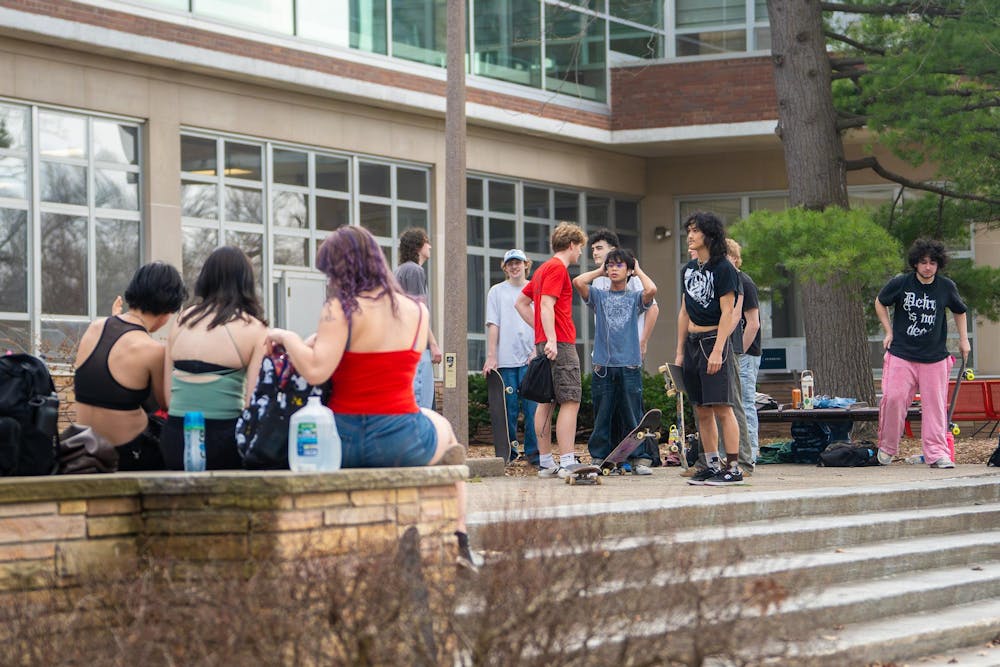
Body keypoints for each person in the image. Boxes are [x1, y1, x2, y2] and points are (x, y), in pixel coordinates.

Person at [265, 225, 476, 570]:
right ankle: (460, 537)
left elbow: (316, 370)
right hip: (401, 437)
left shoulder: (341, 308)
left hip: (341, 440)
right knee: (446, 431)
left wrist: (288, 337)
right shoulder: (417, 312)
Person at [160, 246, 269, 470]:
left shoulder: (182, 320)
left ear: (206, 278)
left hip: (176, 435)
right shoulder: (255, 329)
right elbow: (253, 403)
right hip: (224, 438)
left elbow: (168, 397)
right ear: (246, 282)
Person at [73, 262, 187, 470]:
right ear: (168, 310)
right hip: (125, 454)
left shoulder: (95, 327)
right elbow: (167, 404)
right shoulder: (152, 350)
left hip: (81, 445)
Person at [875, 238, 969, 469]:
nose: (928, 267)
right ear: (916, 264)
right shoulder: (901, 283)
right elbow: (880, 302)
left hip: (934, 357)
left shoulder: (946, 287)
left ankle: (937, 453)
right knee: (894, 398)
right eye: (923, 262)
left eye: (933, 263)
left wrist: (964, 340)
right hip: (901, 354)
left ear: (938, 265)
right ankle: (887, 447)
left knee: (935, 406)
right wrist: (888, 332)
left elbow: (960, 311)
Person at [675, 212, 744, 486]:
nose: (690, 236)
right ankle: (712, 464)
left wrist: (717, 350)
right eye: (688, 230)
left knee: (722, 408)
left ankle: (734, 467)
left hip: (713, 342)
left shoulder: (723, 269)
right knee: (701, 409)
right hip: (692, 344)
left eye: (695, 230)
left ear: (709, 235)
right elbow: (683, 312)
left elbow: (729, 313)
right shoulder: (688, 270)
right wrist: (679, 351)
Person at [573, 248, 656, 473]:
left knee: (632, 415)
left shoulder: (635, 297)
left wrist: (637, 271)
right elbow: (578, 282)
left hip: (629, 363)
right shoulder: (599, 296)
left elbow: (651, 290)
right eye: (610, 265)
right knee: (603, 414)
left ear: (628, 270)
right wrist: (599, 271)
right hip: (603, 365)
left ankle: (638, 459)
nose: (613, 269)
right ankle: (599, 457)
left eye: (619, 265)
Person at [515, 222, 587, 479]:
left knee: (546, 401)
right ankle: (568, 461)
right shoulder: (557, 268)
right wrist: (553, 339)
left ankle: (546, 463)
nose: (580, 253)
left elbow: (521, 303)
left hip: (544, 342)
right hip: (560, 343)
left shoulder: (543, 268)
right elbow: (545, 304)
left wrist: (541, 334)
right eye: (579, 247)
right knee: (570, 399)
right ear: (571, 245)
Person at [483, 249, 539, 466]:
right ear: (505, 267)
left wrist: (536, 351)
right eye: (510, 264)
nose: (515, 267)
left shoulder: (534, 288)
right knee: (509, 409)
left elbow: (540, 323)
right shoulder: (496, 292)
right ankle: (511, 452)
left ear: (526, 264)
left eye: (519, 263)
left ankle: (534, 454)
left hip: (530, 360)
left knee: (533, 409)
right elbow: (493, 324)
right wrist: (491, 356)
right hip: (505, 361)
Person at [394, 227, 441, 409]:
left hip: (403, 346)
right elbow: (419, 312)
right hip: (417, 346)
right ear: (418, 246)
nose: (430, 246)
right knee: (422, 405)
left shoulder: (400, 271)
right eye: (426, 241)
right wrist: (434, 344)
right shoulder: (414, 271)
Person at [728, 238, 761, 471]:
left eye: (728, 256)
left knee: (746, 401)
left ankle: (752, 452)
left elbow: (753, 324)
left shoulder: (744, 282)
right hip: (730, 352)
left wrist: (740, 352)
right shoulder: (724, 284)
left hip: (747, 353)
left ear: (736, 259)